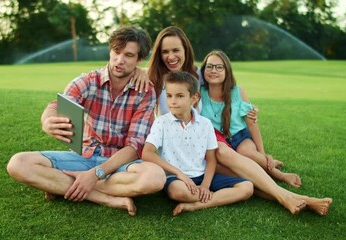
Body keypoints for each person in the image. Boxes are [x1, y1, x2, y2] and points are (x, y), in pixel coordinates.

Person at [147, 26, 332, 215]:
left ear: (186, 50)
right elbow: (128, 72)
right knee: (244, 177)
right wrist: (138, 72)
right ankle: (300, 200)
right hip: (177, 149)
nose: (171, 56)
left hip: (202, 139)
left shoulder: (198, 75)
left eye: (176, 50)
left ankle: (292, 199)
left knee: (231, 161)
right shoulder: (151, 78)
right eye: (165, 51)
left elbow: (225, 83)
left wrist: (248, 109)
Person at [6, 26, 166, 216]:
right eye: (116, 52)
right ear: (110, 50)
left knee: (155, 178)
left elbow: (135, 147)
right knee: (18, 164)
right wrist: (47, 119)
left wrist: (96, 174)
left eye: (129, 55)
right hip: (83, 156)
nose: (119, 60)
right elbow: (57, 105)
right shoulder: (88, 80)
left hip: (118, 162)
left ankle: (64, 185)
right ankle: (102, 196)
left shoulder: (145, 92)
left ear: (139, 60)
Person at [142, 71, 253, 216]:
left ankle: (196, 205)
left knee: (247, 187)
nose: (172, 101)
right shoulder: (161, 123)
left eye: (179, 96)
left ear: (194, 98)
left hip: (202, 175)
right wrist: (179, 174)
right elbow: (147, 153)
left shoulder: (205, 124)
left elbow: (211, 159)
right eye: (169, 96)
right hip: (176, 178)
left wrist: (206, 185)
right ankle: (217, 197)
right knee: (178, 192)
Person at [200, 50, 301, 188]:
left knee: (246, 152)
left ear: (227, 71)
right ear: (204, 70)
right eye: (209, 66)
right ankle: (264, 164)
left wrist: (262, 154)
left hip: (240, 137)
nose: (213, 70)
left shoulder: (237, 92)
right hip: (219, 144)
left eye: (219, 67)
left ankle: (280, 174)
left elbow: (252, 124)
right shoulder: (199, 94)